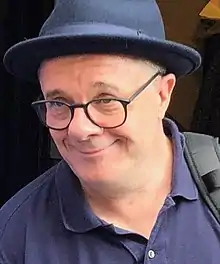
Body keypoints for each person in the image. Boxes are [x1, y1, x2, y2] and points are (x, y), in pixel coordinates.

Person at [1, 0, 220, 263]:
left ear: (163, 94)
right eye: (58, 103)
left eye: (106, 100)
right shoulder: (15, 236)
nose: (80, 129)